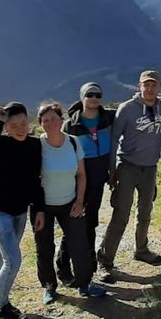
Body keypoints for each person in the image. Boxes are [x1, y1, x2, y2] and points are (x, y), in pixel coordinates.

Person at [97, 69, 161, 277]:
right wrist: (112, 169)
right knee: (121, 214)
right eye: (146, 84)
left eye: (153, 84)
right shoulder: (127, 109)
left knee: (145, 212)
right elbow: (114, 139)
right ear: (139, 86)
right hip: (127, 166)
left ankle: (141, 250)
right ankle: (105, 260)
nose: (149, 88)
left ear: (159, 87)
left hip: (150, 168)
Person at [33, 100, 107, 304]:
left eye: (53, 119)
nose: (49, 123)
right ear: (40, 123)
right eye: (45, 120)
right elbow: (23, 171)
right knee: (44, 248)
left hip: (70, 203)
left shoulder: (73, 142)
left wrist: (80, 200)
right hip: (43, 207)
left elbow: (81, 175)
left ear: (61, 119)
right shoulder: (36, 146)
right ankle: (49, 287)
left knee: (79, 244)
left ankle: (85, 284)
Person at [0, 102, 42, 319]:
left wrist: (39, 208)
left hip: (20, 212)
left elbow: (36, 180)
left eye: (23, 123)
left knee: (4, 258)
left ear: (30, 121)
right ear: (6, 127)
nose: (20, 128)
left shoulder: (35, 146)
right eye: (13, 125)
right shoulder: (1, 144)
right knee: (13, 260)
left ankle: (0, 303)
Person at [59, 82, 114, 284]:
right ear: (82, 97)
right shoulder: (70, 125)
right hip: (76, 180)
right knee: (74, 222)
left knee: (91, 222)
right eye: (89, 94)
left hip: (98, 179)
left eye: (97, 95)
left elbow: (130, 112)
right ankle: (63, 268)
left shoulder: (108, 118)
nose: (93, 98)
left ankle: (89, 265)